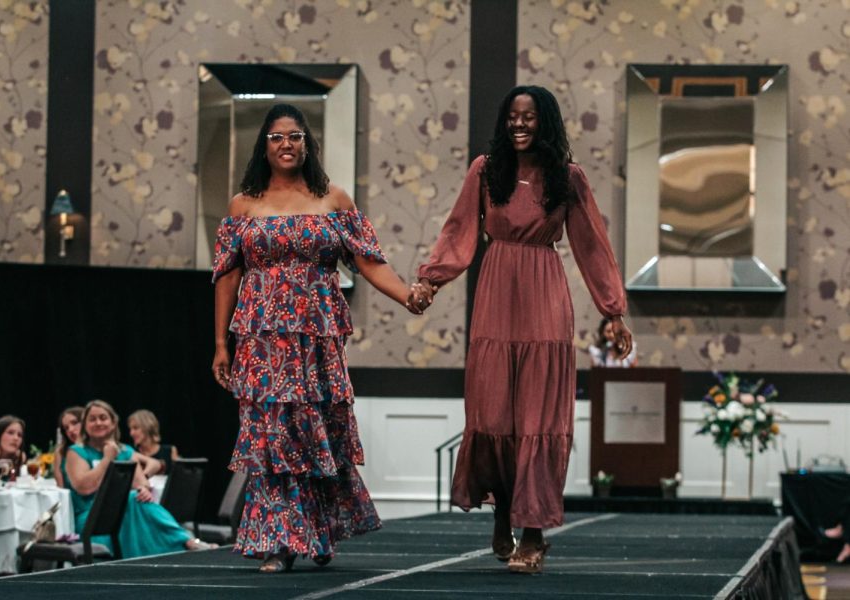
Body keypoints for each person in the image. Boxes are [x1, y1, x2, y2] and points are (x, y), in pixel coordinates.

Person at [412, 85, 632, 574]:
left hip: (544, 297)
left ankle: (533, 534)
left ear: (545, 122)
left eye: (529, 117)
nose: (519, 124)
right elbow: (459, 230)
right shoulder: (486, 170)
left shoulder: (567, 177)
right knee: (493, 411)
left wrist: (612, 310)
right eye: (512, 116)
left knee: (538, 417)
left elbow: (593, 244)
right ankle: (504, 508)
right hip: (496, 293)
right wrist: (431, 281)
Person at [211, 103, 424, 573]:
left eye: (295, 136)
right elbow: (226, 275)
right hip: (263, 340)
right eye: (276, 137)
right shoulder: (244, 205)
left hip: (316, 339)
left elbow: (369, 260)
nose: (286, 144)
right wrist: (222, 344)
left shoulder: (334, 200)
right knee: (273, 435)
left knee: (316, 432)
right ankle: (280, 541)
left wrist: (407, 295)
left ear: (307, 144)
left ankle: (317, 529)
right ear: (263, 147)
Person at [65, 400, 214, 558]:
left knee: (139, 498)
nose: (98, 422)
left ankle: (184, 542)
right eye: (92, 419)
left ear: (113, 422)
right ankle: (186, 540)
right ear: (85, 425)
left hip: (122, 515)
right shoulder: (76, 452)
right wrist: (107, 459)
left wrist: (143, 489)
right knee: (130, 499)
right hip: (91, 518)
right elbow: (84, 487)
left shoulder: (125, 451)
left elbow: (141, 482)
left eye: (103, 417)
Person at [127, 409, 179, 474]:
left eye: (135, 428)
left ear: (147, 427)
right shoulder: (131, 452)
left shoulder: (170, 451)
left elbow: (178, 479)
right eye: (130, 429)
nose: (131, 433)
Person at [53, 406, 84, 488]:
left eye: (74, 423)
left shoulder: (100, 448)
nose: (70, 430)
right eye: (66, 428)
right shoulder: (60, 452)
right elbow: (61, 489)